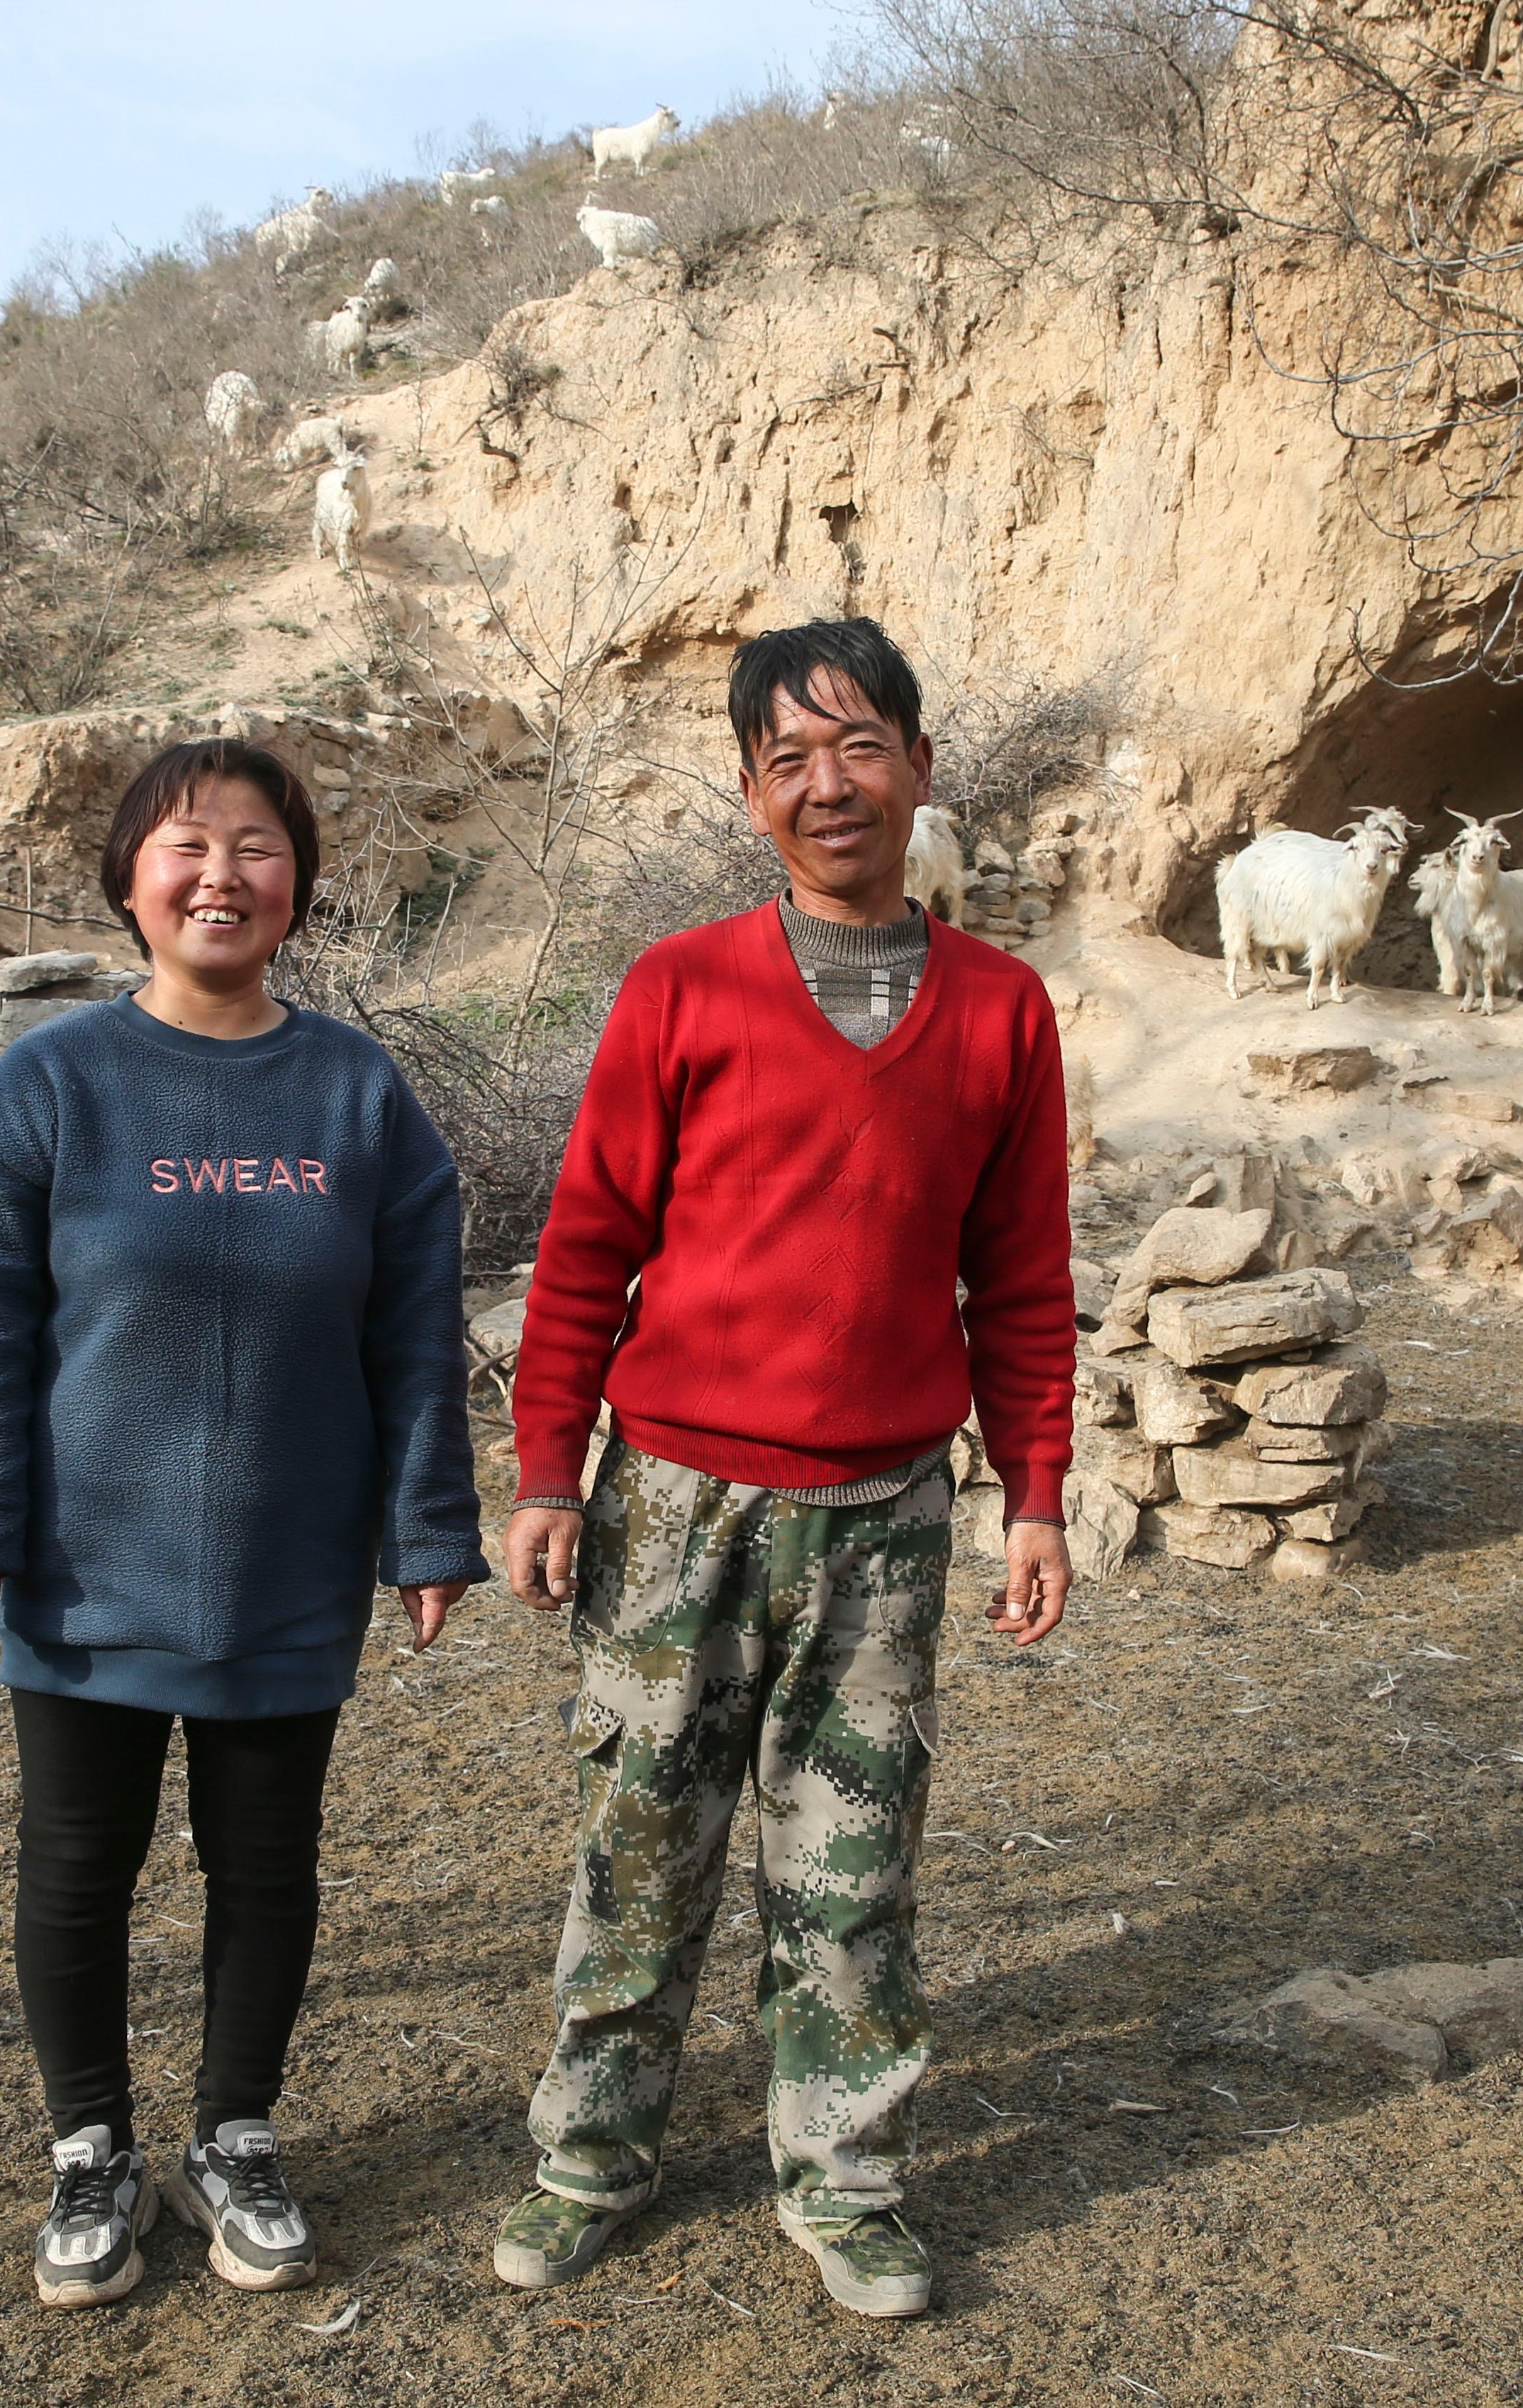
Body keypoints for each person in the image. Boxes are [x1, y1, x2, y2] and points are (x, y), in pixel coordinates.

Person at [488, 617, 1076, 2319]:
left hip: (886, 1517)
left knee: (850, 1870)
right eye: (789, 759)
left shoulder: (997, 1010)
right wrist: (545, 1473)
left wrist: (1032, 1491)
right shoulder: (682, 986)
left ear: (917, 766)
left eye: (860, 746)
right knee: (639, 1847)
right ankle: (588, 2159)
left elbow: (1021, 1280)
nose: (830, 786)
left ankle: (847, 2180)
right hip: (673, 1506)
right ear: (752, 794)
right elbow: (588, 1245)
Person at [0, 737, 487, 2310]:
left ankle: (236, 2133)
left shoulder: (357, 1091)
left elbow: (415, 1337)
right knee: (77, 1869)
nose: (220, 873)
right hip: (87, 1561)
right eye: (184, 844)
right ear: (129, 880)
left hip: (289, 1568)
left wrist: (429, 1530)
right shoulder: (56, 1082)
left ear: (295, 887)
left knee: (265, 1866)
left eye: (255, 845)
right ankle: (90, 2150)